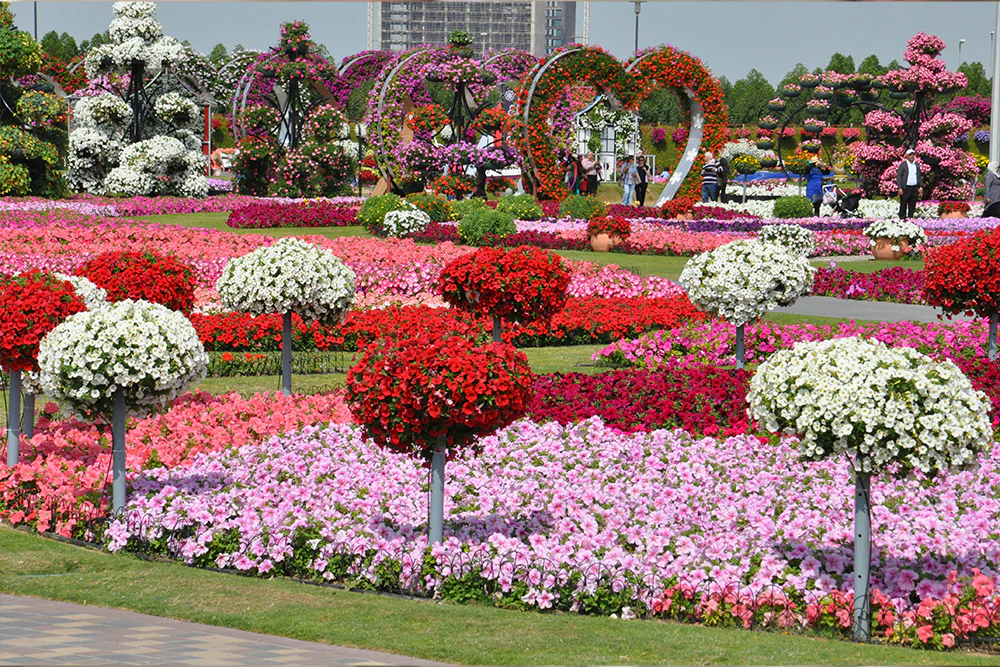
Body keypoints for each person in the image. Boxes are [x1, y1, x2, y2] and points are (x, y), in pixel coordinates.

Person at [897, 148, 922, 219]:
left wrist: (920, 187)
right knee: (903, 203)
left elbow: (919, 176)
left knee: (912, 204)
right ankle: (902, 218)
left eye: (913, 155)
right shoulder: (903, 165)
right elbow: (899, 176)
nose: (912, 156)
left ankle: (910, 217)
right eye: (910, 155)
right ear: (906, 156)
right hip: (906, 187)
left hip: (914, 187)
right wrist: (900, 187)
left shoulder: (916, 165)